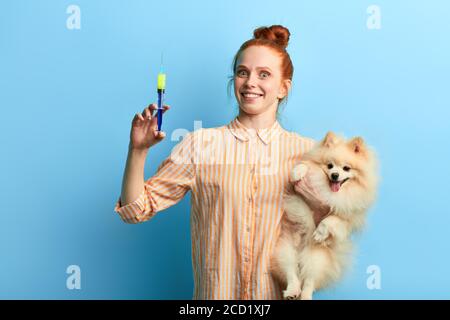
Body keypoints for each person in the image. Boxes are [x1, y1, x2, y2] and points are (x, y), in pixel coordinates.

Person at [114, 25, 329, 299]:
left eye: (264, 74)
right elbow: (136, 210)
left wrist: (323, 206)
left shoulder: (309, 153)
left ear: (283, 88)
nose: (250, 82)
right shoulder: (200, 144)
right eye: (243, 72)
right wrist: (138, 150)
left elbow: (329, 236)